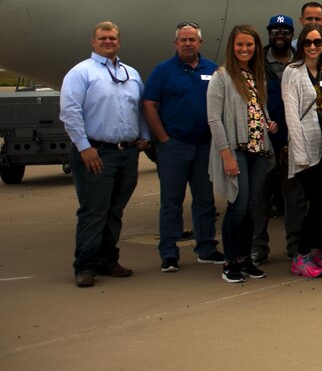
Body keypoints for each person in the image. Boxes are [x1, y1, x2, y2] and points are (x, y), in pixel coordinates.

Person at [60, 21, 151, 287]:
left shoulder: (130, 73)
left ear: (118, 42)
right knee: (94, 211)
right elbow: (70, 112)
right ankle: (85, 265)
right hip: (96, 152)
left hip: (126, 153)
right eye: (103, 38)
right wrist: (84, 147)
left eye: (112, 38)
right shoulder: (81, 73)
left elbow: (140, 108)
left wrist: (145, 137)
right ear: (93, 41)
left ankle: (108, 260)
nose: (108, 41)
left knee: (115, 211)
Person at [142, 22, 222, 272]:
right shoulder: (163, 71)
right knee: (171, 201)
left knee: (205, 200)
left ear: (200, 43)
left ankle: (206, 248)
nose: (188, 44)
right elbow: (149, 105)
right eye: (183, 40)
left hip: (204, 146)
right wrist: (163, 138)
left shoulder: (213, 70)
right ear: (176, 44)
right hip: (175, 146)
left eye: (192, 40)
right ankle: (169, 252)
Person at [207, 25, 277, 283]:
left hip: (258, 150)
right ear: (232, 47)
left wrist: (269, 123)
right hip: (236, 151)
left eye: (249, 45)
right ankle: (230, 261)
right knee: (238, 205)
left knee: (251, 207)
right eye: (240, 45)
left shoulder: (256, 74)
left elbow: (259, 110)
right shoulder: (222, 77)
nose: (245, 49)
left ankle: (245, 258)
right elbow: (214, 119)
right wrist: (226, 155)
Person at [282, 23, 322, 278]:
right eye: (308, 42)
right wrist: (300, 154)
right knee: (314, 205)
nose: (313, 47)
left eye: (318, 42)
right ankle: (301, 256)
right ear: (300, 45)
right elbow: (291, 114)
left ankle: (315, 252)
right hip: (305, 145)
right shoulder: (292, 72)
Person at [251, 14, 304, 265]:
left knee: (294, 198)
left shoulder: (301, 61)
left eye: (285, 32)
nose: (280, 37)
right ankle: (258, 247)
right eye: (275, 32)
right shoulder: (256, 62)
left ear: (292, 35)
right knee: (261, 197)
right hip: (264, 141)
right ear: (268, 34)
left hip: (292, 141)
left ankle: (294, 246)